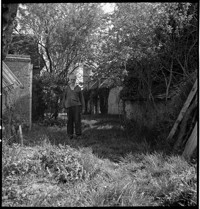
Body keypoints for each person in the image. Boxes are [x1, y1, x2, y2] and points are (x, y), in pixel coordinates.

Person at [61, 74, 85, 139]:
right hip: (68, 106)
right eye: (71, 79)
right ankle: (70, 134)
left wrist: (83, 108)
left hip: (77, 106)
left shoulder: (78, 88)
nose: (72, 81)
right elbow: (64, 98)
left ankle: (78, 134)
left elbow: (82, 99)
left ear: (75, 80)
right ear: (69, 80)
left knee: (77, 120)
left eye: (74, 80)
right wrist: (63, 107)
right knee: (69, 121)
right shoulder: (66, 88)